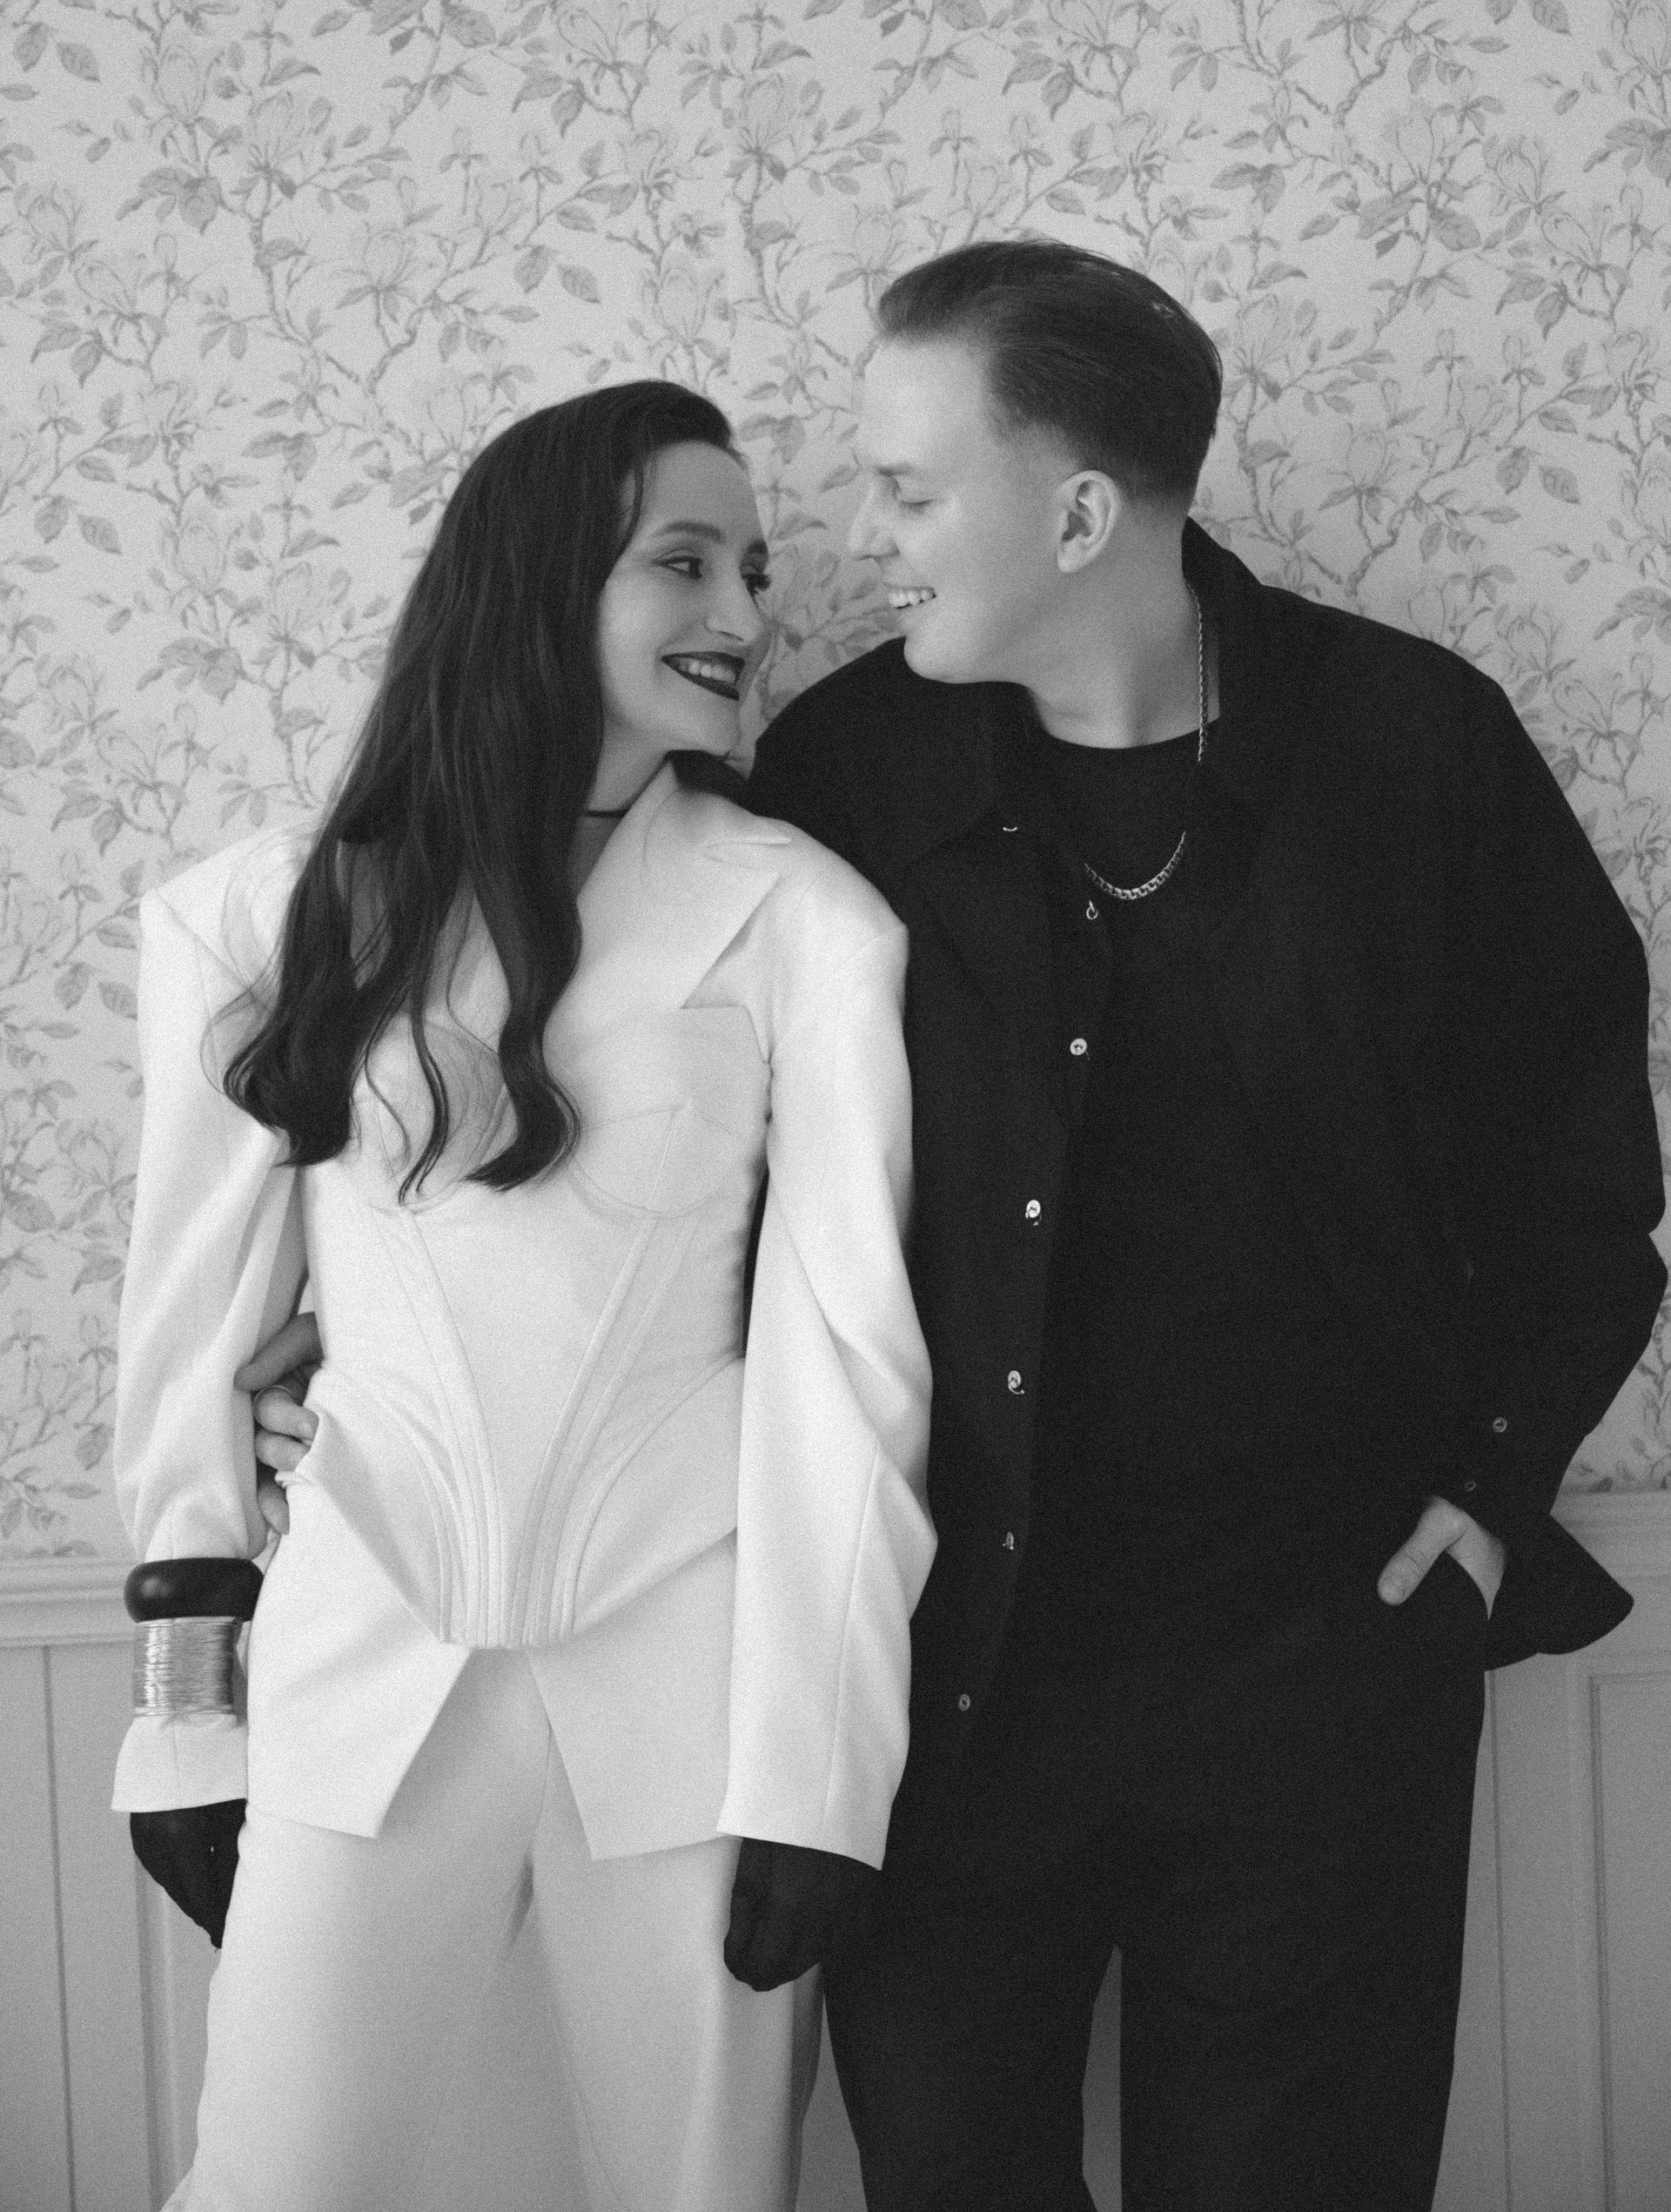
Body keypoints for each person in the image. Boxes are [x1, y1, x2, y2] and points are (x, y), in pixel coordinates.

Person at [252, 240, 1665, 2212]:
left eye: (909, 492)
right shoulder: (842, 776)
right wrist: (368, 1334)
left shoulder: (1411, 745)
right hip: (944, 1685)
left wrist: (1496, 1491)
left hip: (1325, 1667)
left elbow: (1583, 1168)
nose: (859, 546)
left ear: (1078, 513)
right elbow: (633, 1087)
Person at [112, 381, 936, 2212]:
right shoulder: (266, 920)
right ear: (541, 582)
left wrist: (822, 1780)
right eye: (684, 563)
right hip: (357, 1672)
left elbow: (846, 1370)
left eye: (754, 571)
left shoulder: (805, 923)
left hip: (694, 1708)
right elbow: (189, 1336)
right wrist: (179, 1717)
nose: (744, 613)